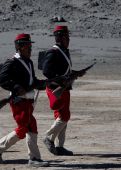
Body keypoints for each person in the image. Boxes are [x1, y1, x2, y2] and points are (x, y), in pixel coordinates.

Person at [0, 33, 49, 167]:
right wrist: (16, 87)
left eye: (30, 45)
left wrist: (42, 84)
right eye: (28, 46)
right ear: (20, 47)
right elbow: (2, 80)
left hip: (28, 100)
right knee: (24, 129)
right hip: (18, 101)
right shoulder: (11, 62)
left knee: (31, 126)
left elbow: (32, 81)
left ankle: (33, 157)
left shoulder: (28, 62)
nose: (30, 49)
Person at [42, 25, 79, 156]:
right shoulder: (53, 52)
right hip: (57, 88)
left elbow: (64, 69)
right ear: (60, 38)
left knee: (63, 116)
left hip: (65, 87)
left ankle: (60, 146)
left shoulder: (64, 51)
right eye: (66, 36)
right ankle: (48, 137)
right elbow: (46, 71)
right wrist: (61, 79)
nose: (68, 39)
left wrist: (73, 74)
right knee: (64, 116)